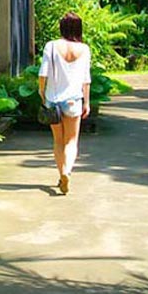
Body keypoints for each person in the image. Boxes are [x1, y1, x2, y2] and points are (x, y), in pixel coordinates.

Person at [38, 11, 91, 195]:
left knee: (58, 140)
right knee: (71, 141)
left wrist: (42, 93)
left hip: (53, 100)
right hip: (73, 100)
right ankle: (67, 171)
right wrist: (87, 102)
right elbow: (86, 79)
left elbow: (43, 74)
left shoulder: (51, 46)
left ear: (62, 27)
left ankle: (62, 174)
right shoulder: (84, 49)